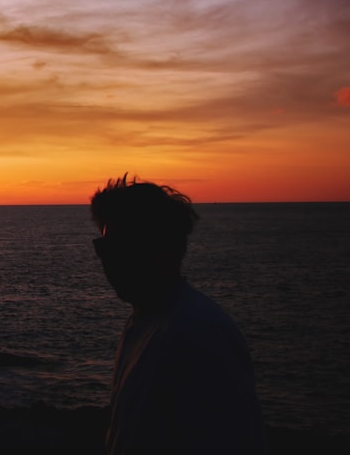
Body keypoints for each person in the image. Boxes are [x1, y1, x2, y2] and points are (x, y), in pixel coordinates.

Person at [90, 174, 267, 455]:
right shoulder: (146, 323)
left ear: (158, 247)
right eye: (103, 247)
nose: (108, 259)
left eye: (122, 246)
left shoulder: (196, 333)